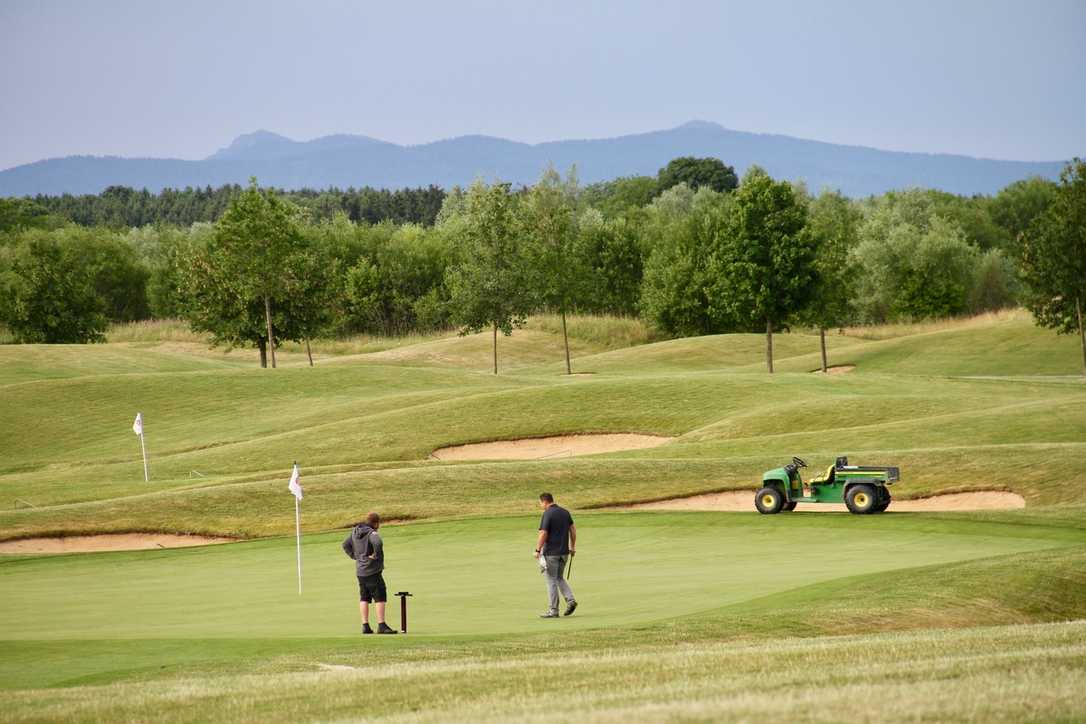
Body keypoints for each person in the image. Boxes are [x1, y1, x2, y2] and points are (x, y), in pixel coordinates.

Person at [342, 511, 397, 634]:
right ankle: (381, 625)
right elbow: (378, 542)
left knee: (364, 597)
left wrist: (356, 556)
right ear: (376, 523)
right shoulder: (372, 533)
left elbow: (345, 545)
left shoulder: (355, 532)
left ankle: (365, 626)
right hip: (372, 571)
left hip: (360, 571)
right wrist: (376, 555)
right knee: (380, 596)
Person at [534, 492, 577, 618]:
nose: (541, 506)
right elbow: (573, 530)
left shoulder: (547, 513)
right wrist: (572, 547)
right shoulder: (565, 512)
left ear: (545, 501)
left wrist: (537, 550)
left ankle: (553, 610)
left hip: (551, 553)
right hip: (564, 553)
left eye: (540, 503)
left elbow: (543, 533)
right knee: (559, 578)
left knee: (551, 580)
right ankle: (570, 600)